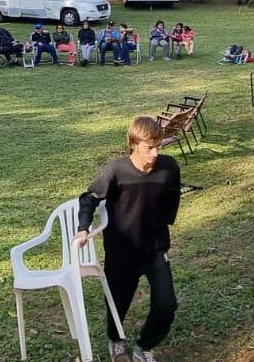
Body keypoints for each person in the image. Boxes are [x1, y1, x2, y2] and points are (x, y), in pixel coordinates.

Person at [75, 116, 181, 362]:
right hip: (121, 252)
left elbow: (173, 194)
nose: (155, 153)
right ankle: (115, 339)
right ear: (134, 144)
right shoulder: (116, 171)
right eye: (149, 148)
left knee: (167, 304)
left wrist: (164, 222)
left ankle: (144, 346)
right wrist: (83, 228)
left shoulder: (169, 167)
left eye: (158, 146)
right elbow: (89, 198)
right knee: (117, 302)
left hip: (155, 249)